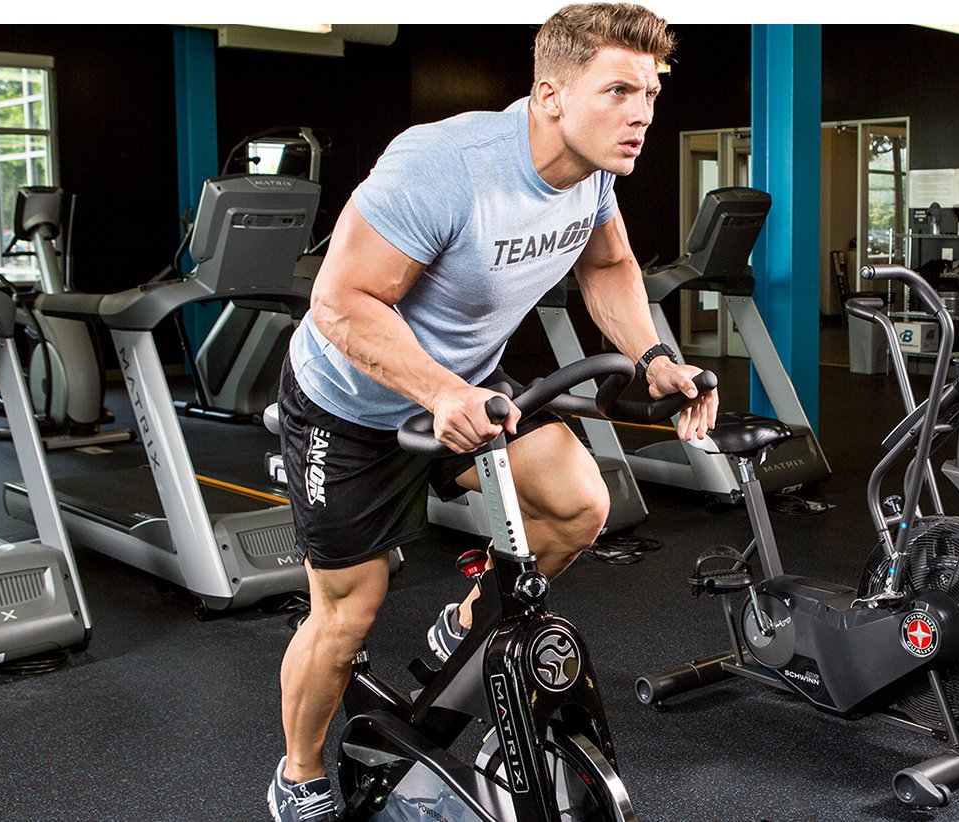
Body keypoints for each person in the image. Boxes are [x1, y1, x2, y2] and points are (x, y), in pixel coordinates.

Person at [267, 5, 718, 820]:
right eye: (618, 90)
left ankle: (464, 623)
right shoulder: (446, 165)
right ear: (550, 94)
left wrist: (656, 358)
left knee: (580, 505)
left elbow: (609, 264)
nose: (642, 113)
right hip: (351, 401)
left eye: (649, 92)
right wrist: (437, 390)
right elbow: (339, 300)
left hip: (469, 384)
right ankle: (298, 775)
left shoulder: (595, 170)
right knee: (347, 612)